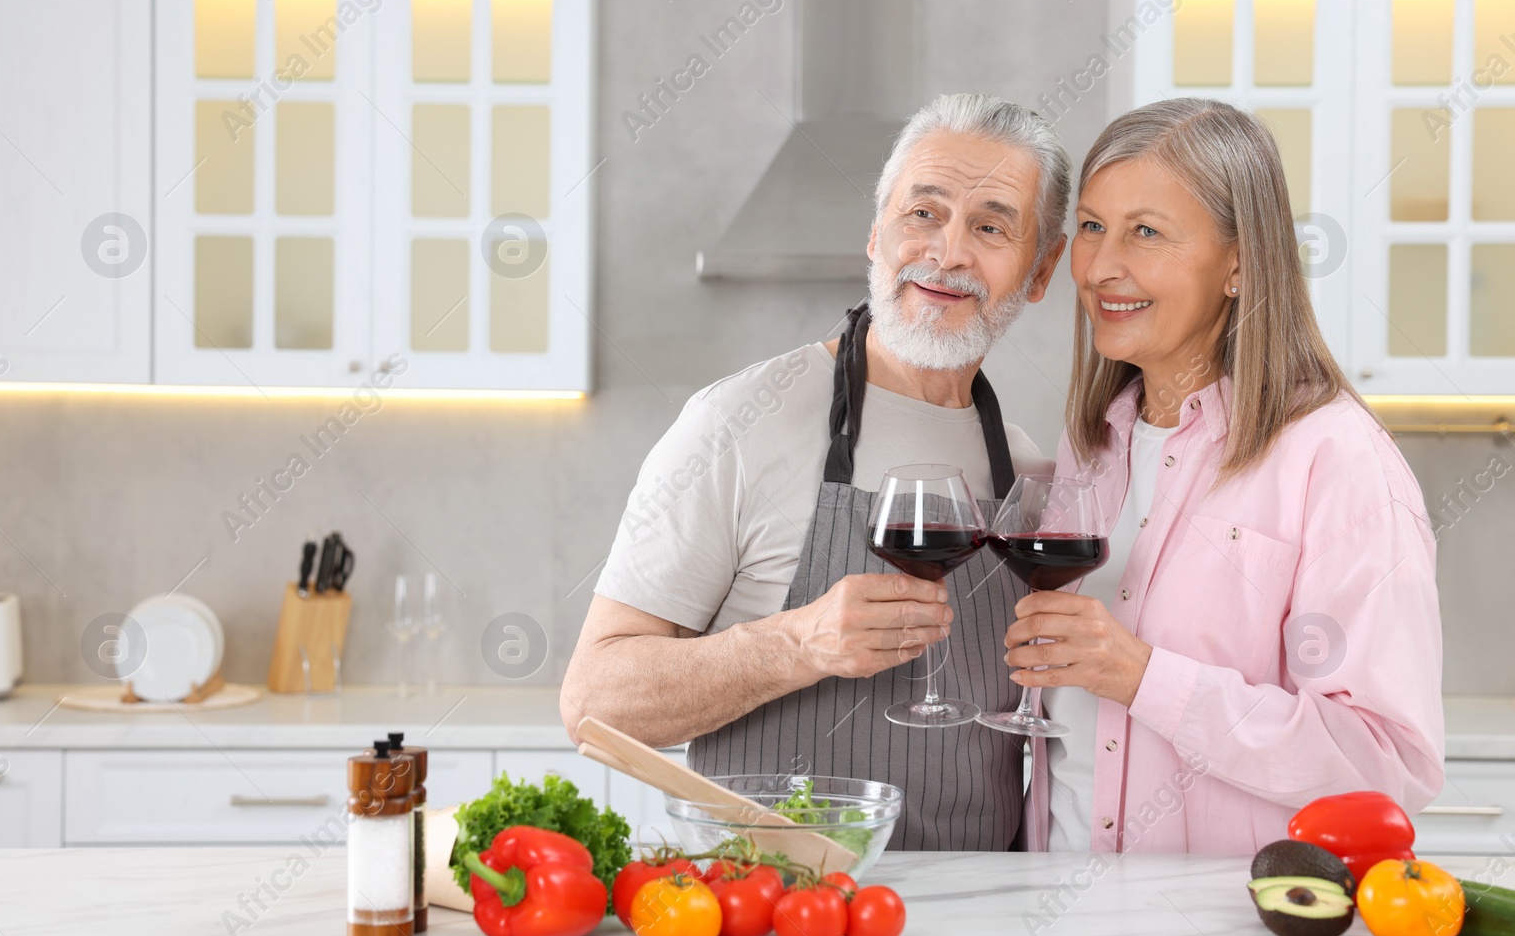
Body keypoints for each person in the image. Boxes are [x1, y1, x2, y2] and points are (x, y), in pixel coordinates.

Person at [561, 93, 1069, 849]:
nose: (949, 252)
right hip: (768, 926)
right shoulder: (736, 422)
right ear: (875, 233)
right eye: (922, 214)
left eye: (992, 226)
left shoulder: (1031, 477)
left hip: (977, 927)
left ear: (1041, 269)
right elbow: (593, 703)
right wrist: (794, 644)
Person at [1010, 97, 1444, 853]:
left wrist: (1146, 677)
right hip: (1056, 918)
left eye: (1146, 231)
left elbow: (1386, 765)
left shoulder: (1336, 459)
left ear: (1240, 263)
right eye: (1090, 226)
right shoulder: (1095, 441)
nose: (1103, 266)